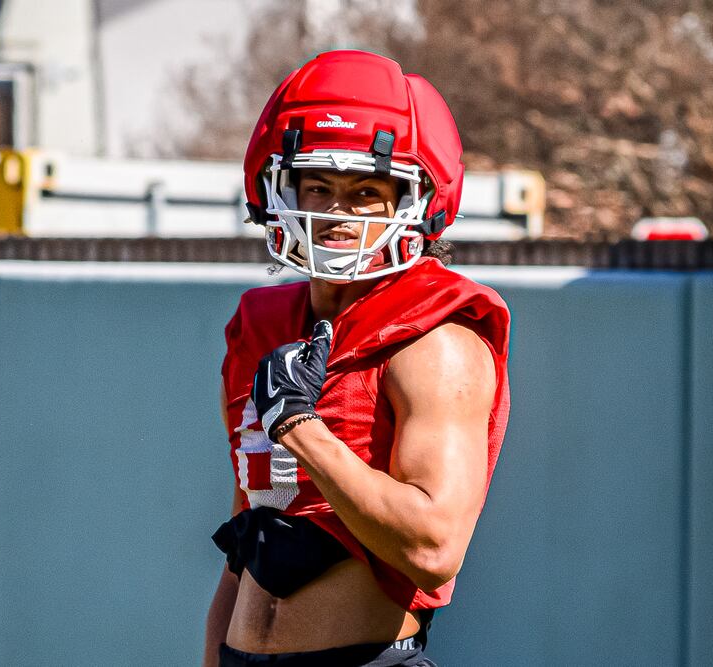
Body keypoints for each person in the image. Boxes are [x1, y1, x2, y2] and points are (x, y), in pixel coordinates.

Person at [204, 50, 512, 667]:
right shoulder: (261, 329)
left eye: (366, 191)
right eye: (317, 186)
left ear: (416, 203)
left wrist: (301, 429)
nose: (335, 214)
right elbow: (249, 540)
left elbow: (432, 547)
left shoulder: (436, 341)